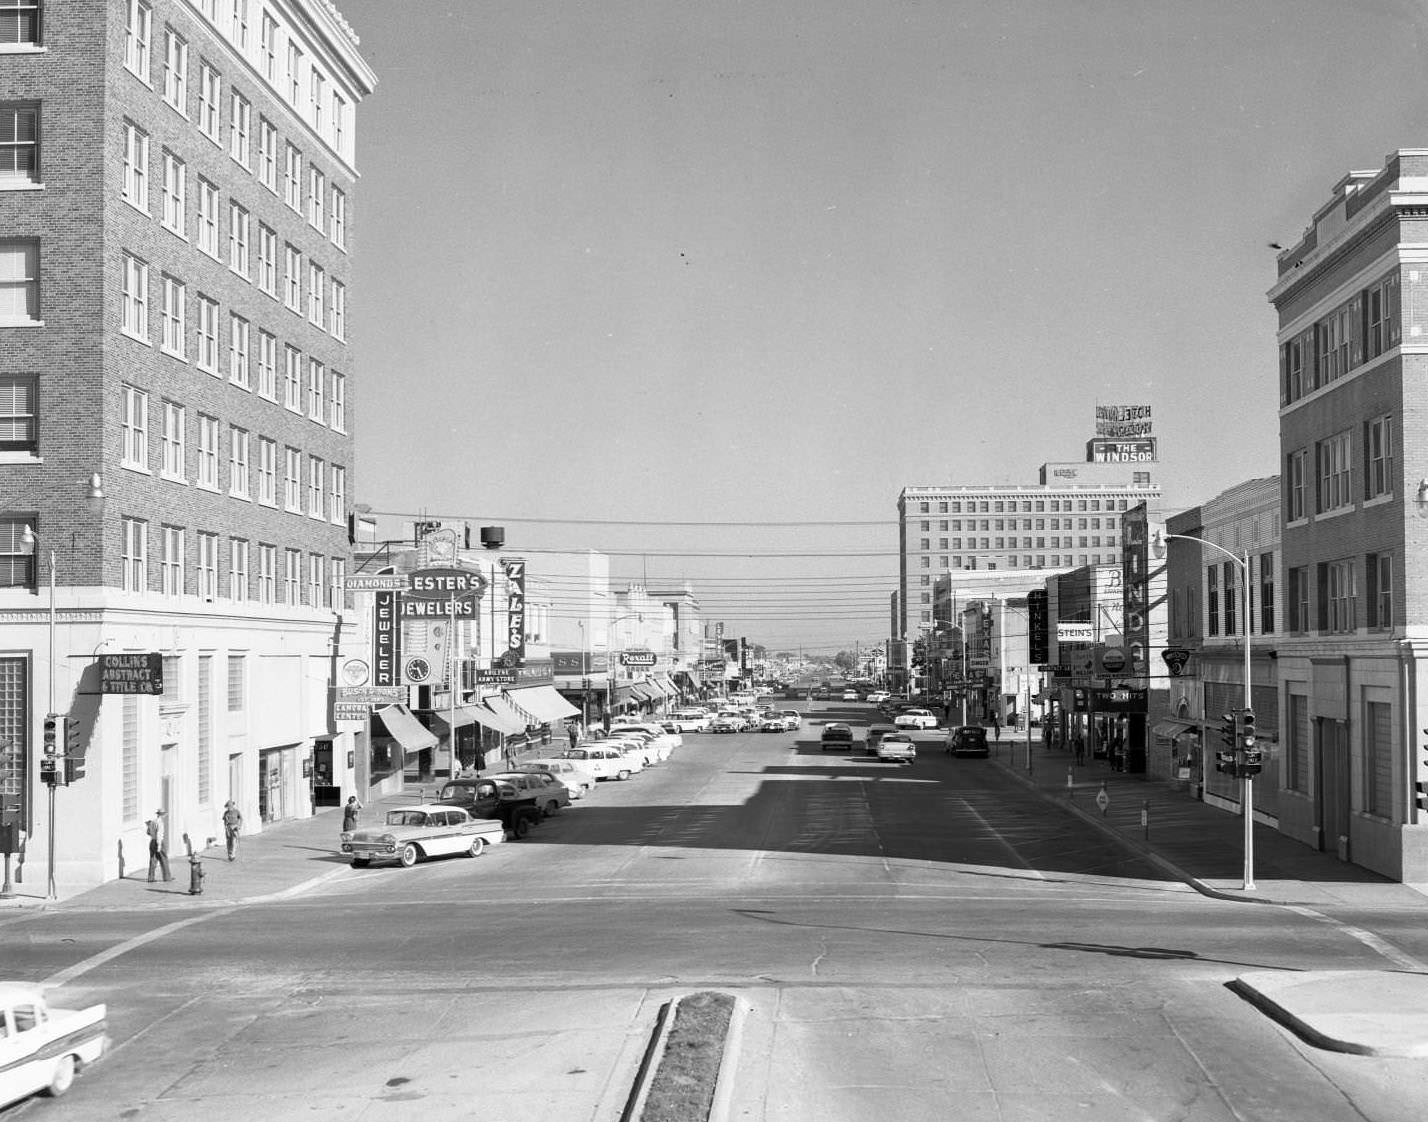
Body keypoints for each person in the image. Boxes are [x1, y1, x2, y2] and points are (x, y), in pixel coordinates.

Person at [146, 810, 172, 882]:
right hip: (158, 841)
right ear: (162, 815)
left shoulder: (152, 822)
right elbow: (159, 835)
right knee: (164, 859)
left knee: (153, 859)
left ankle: (151, 877)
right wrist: (159, 845)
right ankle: (167, 877)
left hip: (152, 841)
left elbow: (148, 832)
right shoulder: (160, 823)